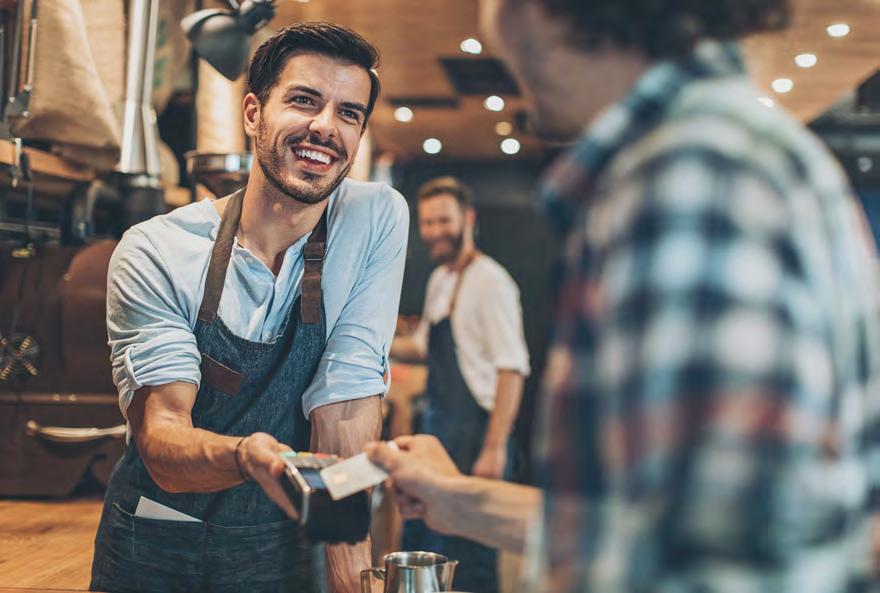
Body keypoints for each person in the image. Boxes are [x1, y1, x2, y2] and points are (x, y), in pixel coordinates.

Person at [368, 1, 880, 591]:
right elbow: (654, 525)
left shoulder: (689, 182)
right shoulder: (732, 152)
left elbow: (707, 570)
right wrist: (458, 500)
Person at [90, 23, 408, 593]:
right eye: (304, 101)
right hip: (159, 542)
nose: (325, 128)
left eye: (349, 113)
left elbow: (346, 404)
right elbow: (162, 440)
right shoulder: (156, 249)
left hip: (282, 543)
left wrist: (354, 584)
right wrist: (245, 457)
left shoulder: (374, 219)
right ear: (253, 112)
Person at [390, 176, 530, 593]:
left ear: (468, 219)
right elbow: (422, 347)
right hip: (439, 429)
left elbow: (512, 368)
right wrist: (371, 341)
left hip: (476, 437)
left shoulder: (491, 281)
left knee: (470, 557)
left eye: (443, 221)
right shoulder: (440, 280)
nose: (434, 231)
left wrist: (494, 448)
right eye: (428, 222)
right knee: (427, 546)